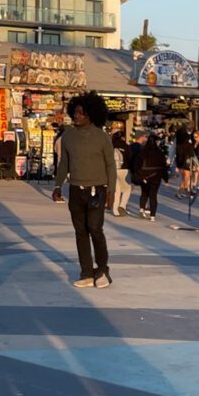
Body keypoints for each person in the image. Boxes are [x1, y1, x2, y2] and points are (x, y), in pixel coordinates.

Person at [52, 91, 116, 289]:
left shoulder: (102, 137)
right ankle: (86, 272)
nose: (76, 116)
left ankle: (103, 270)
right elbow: (64, 163)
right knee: (80, 232)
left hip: (97, 190)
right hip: (75, 191)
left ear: (90, 115)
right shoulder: (68, 135)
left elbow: (110, 165)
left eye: (81, 113)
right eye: (75, 112)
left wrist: (111, 191)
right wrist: (57, 185)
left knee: (95, 230)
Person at [137, 134, 168, 222]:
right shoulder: (159, 153)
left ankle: (141, 209)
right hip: (156, 176)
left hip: (144, 176)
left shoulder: (142, 152)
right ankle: (152, 215)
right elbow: (163, 166)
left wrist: (139, 174)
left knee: (144, 193)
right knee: (153, 195)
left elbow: (137, 164)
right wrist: (165, 178)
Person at [110, 130, 132, 216]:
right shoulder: (126, 146)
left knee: (117, 190)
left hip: (112, 170)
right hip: (124, 170)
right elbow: (130, 158)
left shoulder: (110, 145)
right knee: (127, 189)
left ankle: (115, 210)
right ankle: (122, 205)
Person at [175, 129, 198, 199]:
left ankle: (185, 192)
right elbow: (192, 155)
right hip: (187, 164)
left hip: (181, 163)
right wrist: (195, 164)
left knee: (185, 178)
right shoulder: (188, 145)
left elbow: (178, 155)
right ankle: (181, 191)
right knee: (186, 178)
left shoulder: (178, 145)